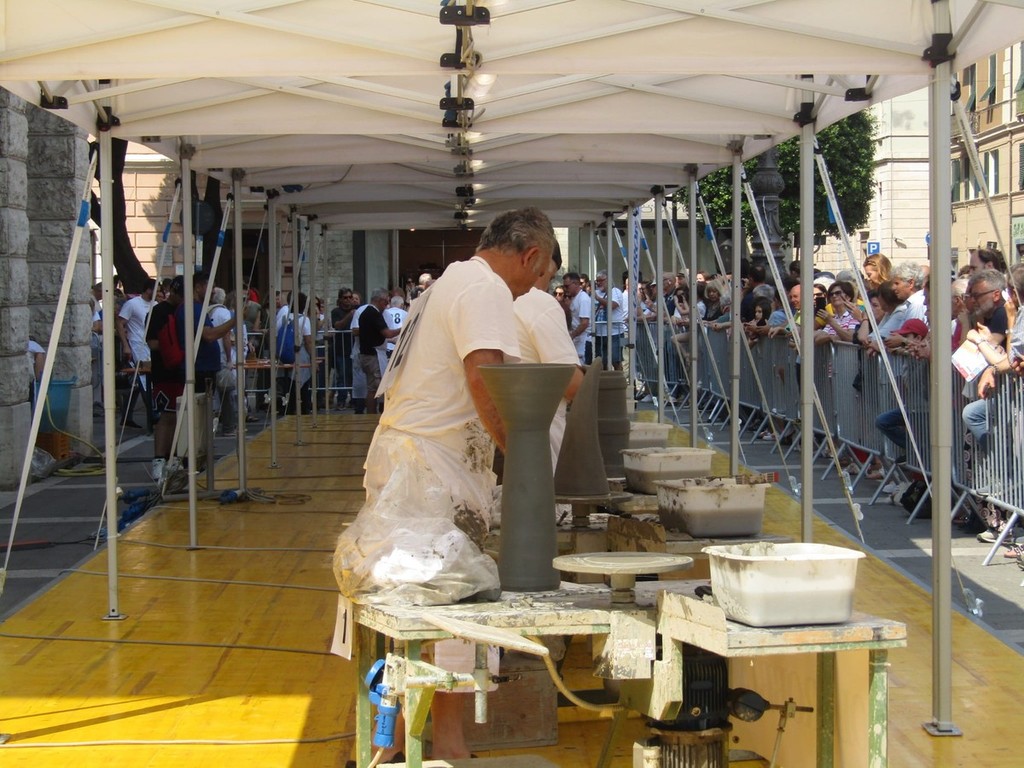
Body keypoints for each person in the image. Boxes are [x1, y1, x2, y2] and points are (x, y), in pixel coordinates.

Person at [333, 207, 554, 762]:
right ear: (529, 256)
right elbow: (486, 378)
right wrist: (523, 460)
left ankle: (397, 739)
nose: (534, 288)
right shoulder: (486, 290)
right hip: (429, 475)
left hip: (411, 466)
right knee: (451, 608)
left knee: (414, 611)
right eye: (540, 274)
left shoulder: (450, 282)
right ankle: (442, 744)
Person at [514, 244, 584, 464]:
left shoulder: (488, 296)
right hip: (540, 433)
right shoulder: (539, 302)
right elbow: (572, 383)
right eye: (549, 275)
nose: (546, 283)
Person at [146, 276, 185, 484]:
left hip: (182, 372)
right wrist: (173, 346)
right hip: (164, 371)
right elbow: (152, 342)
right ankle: (159, 459)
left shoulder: (184, 311)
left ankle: (174, 457)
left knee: (180, 417)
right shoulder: (159, 312)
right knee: (166, 416)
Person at [356, 288, 400, 415]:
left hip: (368, 353)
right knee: (374, 388)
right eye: (386, 302)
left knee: (374, 387)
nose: (387, 305)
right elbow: (387, 333)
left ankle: (374, 413)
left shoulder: (365, 313)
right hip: (372, 355)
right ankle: (371, 415)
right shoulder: (373, 314)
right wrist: (404, 328)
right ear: (379, 300)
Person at [591, 270, 625, 370]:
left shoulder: (616, 292)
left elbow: (612, 305)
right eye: (597, 281)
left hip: (615, 333)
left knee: (615, 360)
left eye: (601, 280)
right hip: (599, 333)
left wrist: (597, 298)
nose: (599, 283)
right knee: (601, 362)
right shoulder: (596, 292)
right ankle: (605, 378)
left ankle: (619, 377)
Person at [563, 271, 591, 364]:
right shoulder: (573, 298)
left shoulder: (583, 299)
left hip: (584, 341)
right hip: (577, 339)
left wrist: (572, 335)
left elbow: (584, 323)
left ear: (575, 283)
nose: (566, 289)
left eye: (567, 286)